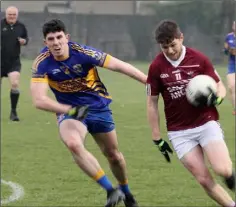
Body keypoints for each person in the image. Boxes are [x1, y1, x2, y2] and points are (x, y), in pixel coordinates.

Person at [30, 19, 146, 207]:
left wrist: (147, 80)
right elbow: (39, 100)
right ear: (45, 43)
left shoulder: (84, 53)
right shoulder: (42, 64)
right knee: (74, 144)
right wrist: (70, 110)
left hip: (98, 107)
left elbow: (121, 66)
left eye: (59, 37)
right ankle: (111, 191)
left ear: (67, 38)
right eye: (51, 39)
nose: (56, 43)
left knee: (113, 155)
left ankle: (126, 191)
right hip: (70, 112)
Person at [146, 20, 235, 207]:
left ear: (181, 38)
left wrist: (217, 99)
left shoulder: (199, 59)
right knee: (203, 179)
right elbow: (152, 103)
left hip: (205, 122)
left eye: (173, 45)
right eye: (165, 47)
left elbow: (219, 85)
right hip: (179, 132)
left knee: (223, 169)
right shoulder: (156, 67)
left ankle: (229, 175)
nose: (170, 50)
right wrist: (157, 138)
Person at [1, 6, 29, 121]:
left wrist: (24, 41)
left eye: (14, 15)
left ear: (16, 15)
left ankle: (13, 112)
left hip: (13, 61)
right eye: (9, 14)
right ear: (6, 14)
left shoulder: (21, 26)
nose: (12, 16)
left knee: (15, 84)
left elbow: (26, 39)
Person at [224, 20, 236, 115]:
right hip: (232, 64)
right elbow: (225, 51)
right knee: (231, 87)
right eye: (234, 25)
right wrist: (228, 50)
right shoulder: (229, 37)